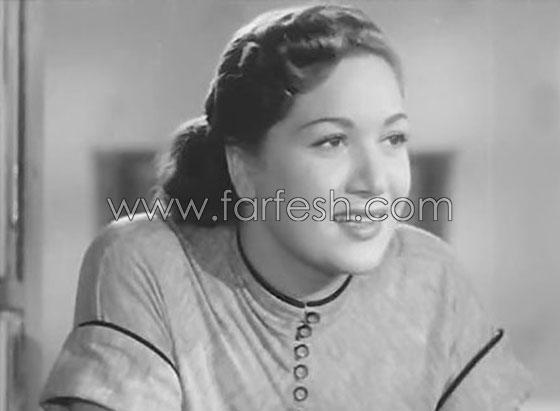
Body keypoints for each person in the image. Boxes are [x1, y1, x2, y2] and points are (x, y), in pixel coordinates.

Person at [40, 4, 534, 411]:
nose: (376, 181)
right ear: (243, 168)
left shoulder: (432, 278)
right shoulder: (149, 264)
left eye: (394, 138)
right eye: (331, 141)